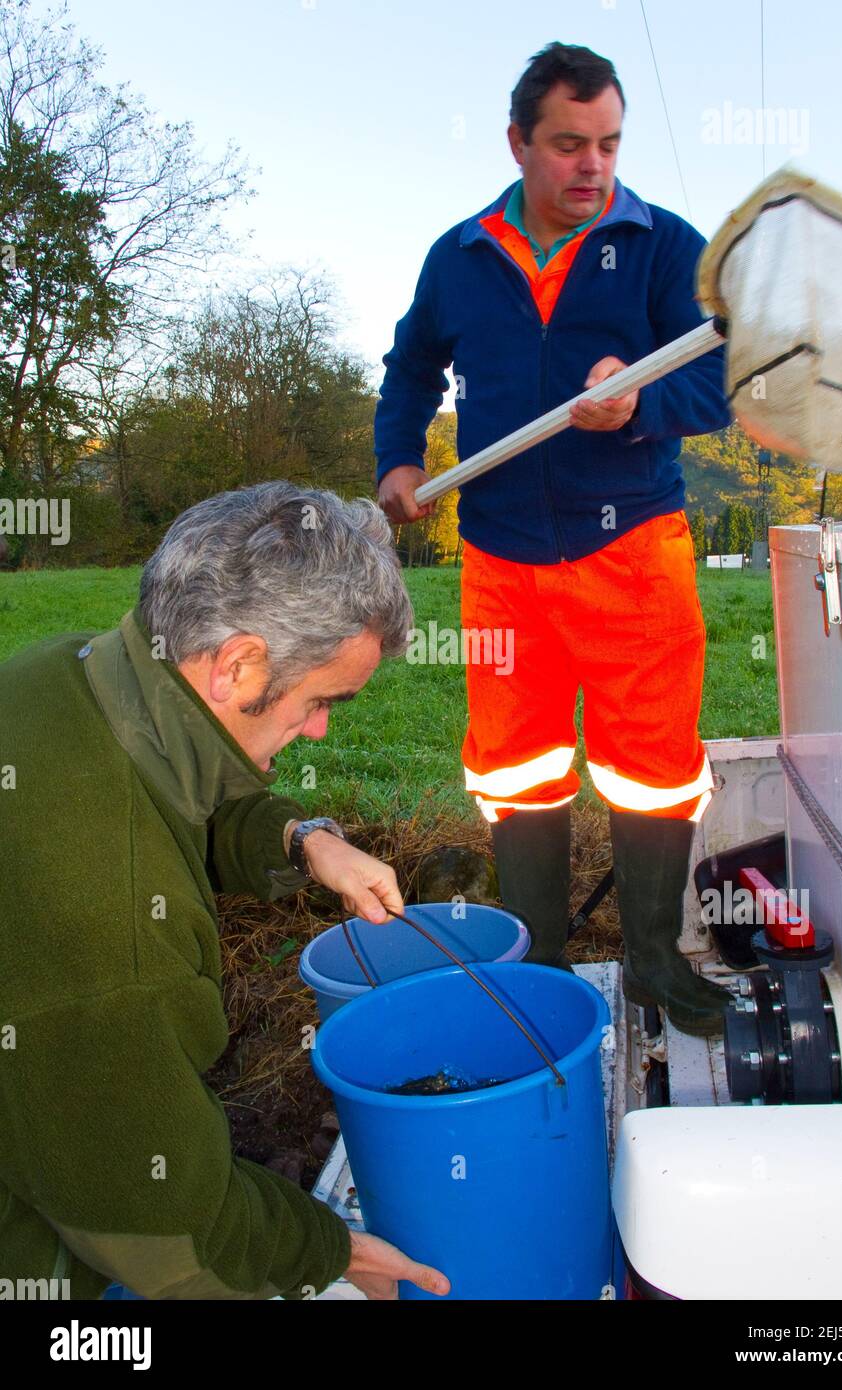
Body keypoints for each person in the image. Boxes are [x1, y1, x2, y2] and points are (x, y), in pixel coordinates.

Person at [0, 482, 449, 1300]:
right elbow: (166, 1228)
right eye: (322, 700)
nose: (319, 730)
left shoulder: (67, 674)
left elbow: (189, 789)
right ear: (238, 663)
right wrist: (329, 1254)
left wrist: (306, 840)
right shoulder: (114, 935)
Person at [376, 42, 733, 1036]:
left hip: (633, 549)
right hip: (499, 556)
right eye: (568, 144)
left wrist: (638, 402)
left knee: (653, 760)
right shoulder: (460, 255)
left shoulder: (661, 245)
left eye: (608, 144)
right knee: (514, 760)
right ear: (518, 144)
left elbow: (722, 376)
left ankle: (656, 960)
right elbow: (408, 368)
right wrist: (397, 462)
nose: (592, 167)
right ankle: (541, 971)